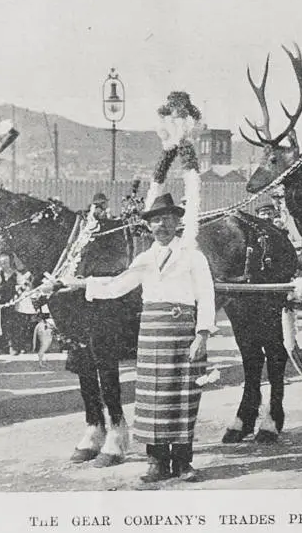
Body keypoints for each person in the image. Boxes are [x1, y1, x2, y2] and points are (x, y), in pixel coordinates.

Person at [63, 193, 215, 483]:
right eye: (156, 221)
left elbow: (206, 297)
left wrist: (202, 335)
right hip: (151, 334)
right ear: (149, 226)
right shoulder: (145, 259)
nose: (162, 226)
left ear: (176, 223)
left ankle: (183, 463)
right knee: (153, 400)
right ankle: (156, 462)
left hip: (183, 333)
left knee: (182, 400)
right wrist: (76, 284)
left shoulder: (193, 256)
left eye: (167, 220)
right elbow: (117, 286)